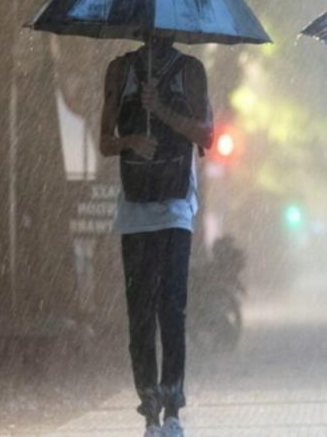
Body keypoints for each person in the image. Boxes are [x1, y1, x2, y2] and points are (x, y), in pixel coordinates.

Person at [99, 35, 213, 437]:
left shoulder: (190, 72)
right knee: (140, 314)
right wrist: (132, 140)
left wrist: (160, 110)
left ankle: (173, 410)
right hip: (135, 212)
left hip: (176, 209)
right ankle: (149, 410)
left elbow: (206, 136)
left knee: (173, 309)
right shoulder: (120, 70)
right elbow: (104, 142)